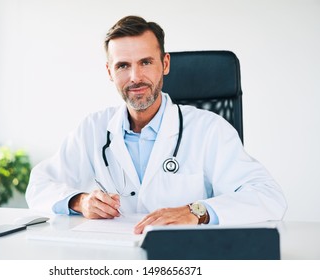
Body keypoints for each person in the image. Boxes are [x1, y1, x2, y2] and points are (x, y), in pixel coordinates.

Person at [26, 15, 287, 234]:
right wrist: (79, 201)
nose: (135, 77)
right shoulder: (93, 128)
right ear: (109, 72)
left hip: (186, 258)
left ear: (165, 64)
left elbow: (268, 196)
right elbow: (39, 185)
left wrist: (196, 212)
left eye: (146, 62)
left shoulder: (209, 129)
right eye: (123, 66)